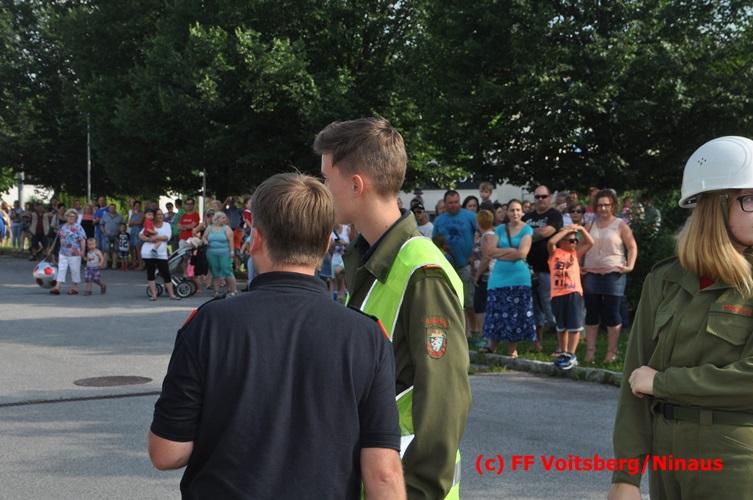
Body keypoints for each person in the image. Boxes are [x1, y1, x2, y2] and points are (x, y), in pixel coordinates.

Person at [148, 173, 405, 499]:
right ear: (326, 245)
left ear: (256, 238)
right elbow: (383, 473)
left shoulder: (208, 325)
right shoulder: (367, 336)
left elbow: (167, 452)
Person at [315, 117, 470, 499]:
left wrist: (419, 491)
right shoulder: (371, 260)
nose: (322, 190)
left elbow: (444, 399)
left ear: (356, 185)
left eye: (326, 179)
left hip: (407, 487)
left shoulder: (422, 271)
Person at [609, 136, 753, 500]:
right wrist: (626, 476)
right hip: (667, 457)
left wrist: (663, 383)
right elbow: (634, 376)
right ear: (714, 205)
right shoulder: (665, 278)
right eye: (750, 199)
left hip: (735, 457)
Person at [582, 189, 638, 364]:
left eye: (606, 205)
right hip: (591, 272)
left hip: (614, 273)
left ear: (613, 205)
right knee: (591, 312)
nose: (603, 208)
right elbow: (580, 246)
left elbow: (632, 246)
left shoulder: (620, 225)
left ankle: (612, 352)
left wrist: (630, 265)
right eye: (599, 205)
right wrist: (577, 265)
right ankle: (590, 352)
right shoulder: (589, 224)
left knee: (612, 313)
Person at [479, 199, 536, 357]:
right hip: (498, 277)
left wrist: (502, 253)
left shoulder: (527, 229)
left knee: (515, 314)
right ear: (507, 212)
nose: (515, 213)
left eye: (518, 210)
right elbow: (490, 251)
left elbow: (522, 253)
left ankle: (512, 349)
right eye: (512, 210)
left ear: (522, 212)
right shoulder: (500, 229)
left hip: (518, 277)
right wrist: (511, 251)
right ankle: (492, 345)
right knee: (495, 311)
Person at [433, 190, 479, 339]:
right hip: (447, 267)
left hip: (464, 265)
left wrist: (476, 253)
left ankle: (475, 331)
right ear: (445, 204)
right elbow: (435, 243)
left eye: (456, 202)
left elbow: (484, 233)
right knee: (451, 301)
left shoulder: (470, 217)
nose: (453, 205)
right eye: (450, 203)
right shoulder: (439, 221)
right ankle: (459, 333)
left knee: (468, 301)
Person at [546, 225, 593, 369]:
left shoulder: (575, 254)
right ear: (562, 241)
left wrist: (581, 230)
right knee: (561, 326)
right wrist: (565, 231)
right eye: (571, 241)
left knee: (574, 325)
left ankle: (571, 354)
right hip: (557, 294)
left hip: (573, 293)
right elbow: (551, 242)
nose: (574, 243)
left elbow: (590, 243)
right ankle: (564, 351)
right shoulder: (555, 253)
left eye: (575, 241)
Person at [523, 185, 563, 352]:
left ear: (550, 197)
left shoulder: (554, 215)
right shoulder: (527, 216)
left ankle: (560, 345)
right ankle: (536, 344)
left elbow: (547, 232)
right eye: (537, 196)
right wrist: (532, 234)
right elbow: (515, 232)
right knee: (534, 310)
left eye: (544, 196)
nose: (540, 199)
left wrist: (525, 235)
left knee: (551, 308)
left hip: (548, 269)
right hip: (528, 270)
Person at [140, 209, 180, 301]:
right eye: (158, 214)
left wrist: (154, 237)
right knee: (151, 273)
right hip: (148, 253)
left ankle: (172, 294)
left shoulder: (167, 225)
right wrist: (150, 239)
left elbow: (167, 237)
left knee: (166, 273)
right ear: (154, 216)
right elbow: (141, 235)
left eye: (161, 214)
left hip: (161, 254)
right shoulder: (150, 224)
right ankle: (154, 295)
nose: (161, 216)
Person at [472, 209, 496, 348]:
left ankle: (484, 336)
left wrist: (477, 275)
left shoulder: (487, 237)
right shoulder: (490, 235)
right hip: (489, 277)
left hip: (486, 277)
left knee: (480, 306)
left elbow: (486, 257)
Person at [49, 209, 87, 295]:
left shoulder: (78, 227)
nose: (71, 218)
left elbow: (83, 239)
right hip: (63, 252)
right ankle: (57, 287)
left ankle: (75, 287)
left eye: (73, 216)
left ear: (76, 218)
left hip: (75, 252)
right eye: (69, 216)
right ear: (66, 217)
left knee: (75, 270)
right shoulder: (63, 226)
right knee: (61, 269)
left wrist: (83, 250)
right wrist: (52, 248)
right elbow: (58, 238)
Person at [201, 211, 238, 297]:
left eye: (225, 218)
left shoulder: (227, 228)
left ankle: (233, 290)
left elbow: (231, 241)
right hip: (211, 253)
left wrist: (232, 251)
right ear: (217, 219)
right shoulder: (210, 228)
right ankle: (216, 291)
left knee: (227, 271)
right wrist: (205, 241)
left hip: (224, 252)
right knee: (215, 272)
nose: (225, 219)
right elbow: (204, 237)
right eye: (223, 218)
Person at [101, 204, 123, 268]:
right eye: (110, 208)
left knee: (115, 250)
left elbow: (123, 226)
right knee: (106, 250)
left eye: (113, 208)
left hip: (116, 235)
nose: (112, 209)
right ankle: (105, 264)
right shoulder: (105, 216)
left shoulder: (120, 216)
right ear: (108, 209)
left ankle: (114, 265)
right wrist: (104, 232)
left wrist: (120, 232)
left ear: (115, 208)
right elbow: (101, 224)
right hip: (106, 235)